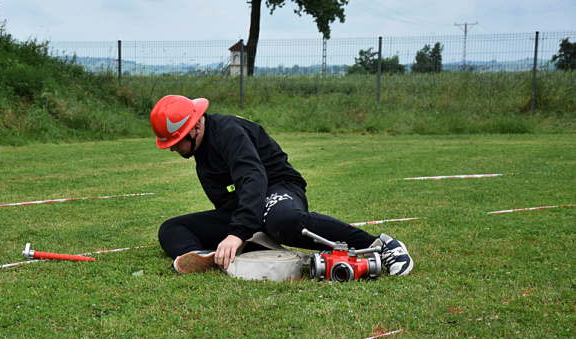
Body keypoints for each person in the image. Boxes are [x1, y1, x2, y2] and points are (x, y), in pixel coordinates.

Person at [150, 95, 413, 276]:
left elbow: (253, 178)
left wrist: (237, 232)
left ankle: (382, 245)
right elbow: (226, 199)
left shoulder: (228, 132)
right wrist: (239, 229)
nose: (173, 148)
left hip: (279, 187)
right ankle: (200, 257)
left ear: (195, 126)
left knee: (283, 221)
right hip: (249, 205)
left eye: (176, 141)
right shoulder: (199, 151)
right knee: (172, 227)